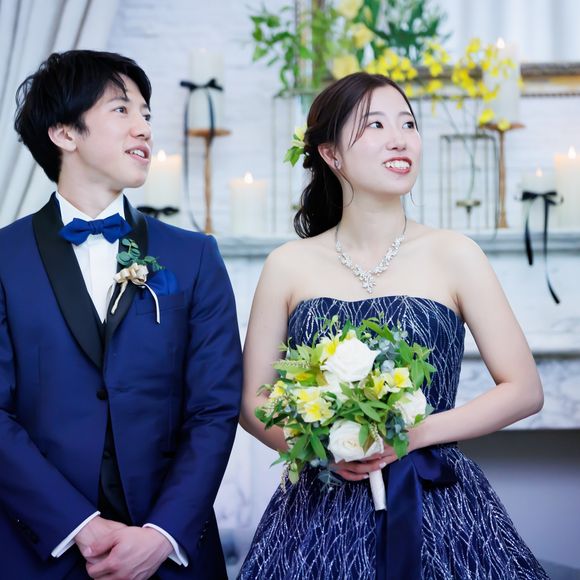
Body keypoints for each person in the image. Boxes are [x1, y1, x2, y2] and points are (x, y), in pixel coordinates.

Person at [238, 72, 548, 579]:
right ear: (331, 154)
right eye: (375, 125)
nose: (400, 139)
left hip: (435, 500)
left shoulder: (456, 254)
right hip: (320, 503)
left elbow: (524, 390)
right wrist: (322, 450)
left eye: (408, 124)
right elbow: (253, 401)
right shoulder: (287, 265)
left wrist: (413, 434)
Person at [0, 50, 242, 579]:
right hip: (37, 550)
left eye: (146, 114)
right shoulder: (3, 258)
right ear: (65, 132)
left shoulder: (194, 256)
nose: (144, 128)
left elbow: (215, 408)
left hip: (171, 554)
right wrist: (78, 526)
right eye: (121, 109)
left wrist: (161, 535)